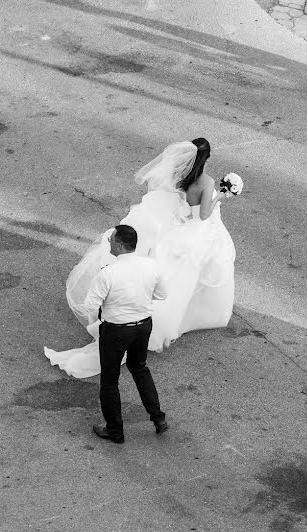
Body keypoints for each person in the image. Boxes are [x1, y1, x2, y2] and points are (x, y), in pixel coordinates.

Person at [44, 138, 236, 378]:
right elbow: (205, 215)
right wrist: (222, 196)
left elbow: (179, 200)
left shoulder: (182, 176)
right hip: (195, 230)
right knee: (194, 272)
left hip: (179, 222)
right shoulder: (207, 182)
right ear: (206, 159)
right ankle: (183, 316)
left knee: (179, 273)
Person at [85, 225, 168, 444]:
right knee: (140, 368)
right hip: (143, 326)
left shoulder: (108, 273)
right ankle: (158, 418)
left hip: (116, 330)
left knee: (110, 380)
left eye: (111, 239)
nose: (109, 242)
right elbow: (161, 294)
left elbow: (90, 305)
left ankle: (115, 431)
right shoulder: (152, 266)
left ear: (120, 244)